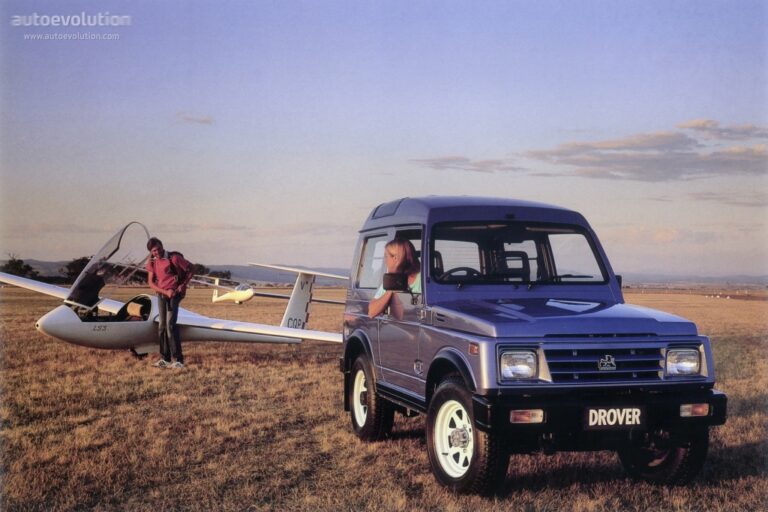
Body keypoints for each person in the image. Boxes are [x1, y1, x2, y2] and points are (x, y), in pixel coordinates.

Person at [145, 237, 193, 369]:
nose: (157, 252)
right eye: (154, 251)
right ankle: (165, 359)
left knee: (170, 325)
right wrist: (164, 292)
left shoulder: (174, 258)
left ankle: (179, 360)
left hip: (174, 295)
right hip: (162, 294)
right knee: (161, 326)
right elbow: (151, 283)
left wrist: (183, 285)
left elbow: (191, 269)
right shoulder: (152, 262)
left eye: (158, 249)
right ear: (151, 252)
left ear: (162, 245)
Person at [368, 238, 421, 318]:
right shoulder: (391, 280)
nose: (385, 261)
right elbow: (371, 312)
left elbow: (400, 316)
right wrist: (391, 290)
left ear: (395, 258)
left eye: (386, 257)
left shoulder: (422, 280)